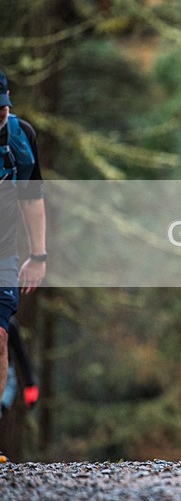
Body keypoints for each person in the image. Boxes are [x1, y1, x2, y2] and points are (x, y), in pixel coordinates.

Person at [0, 69, 47, 464]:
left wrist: (39, 255)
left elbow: (32, 199)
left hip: (4, 255)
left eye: (0, 110)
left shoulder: (21, 137)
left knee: (0, 337)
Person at [1, 318, 39, 418]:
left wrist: (30, 385)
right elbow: (21, 354)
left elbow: (21, 354)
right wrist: (30, 385)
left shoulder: (9, 324)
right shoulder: (9, 323)